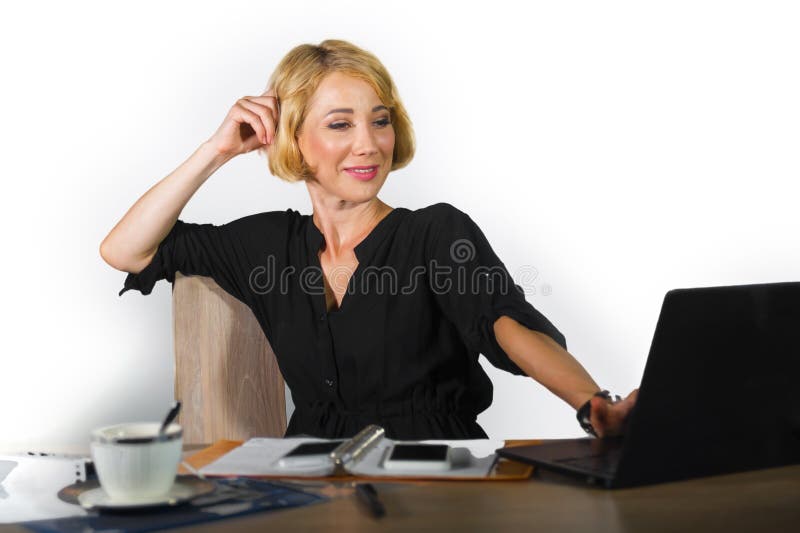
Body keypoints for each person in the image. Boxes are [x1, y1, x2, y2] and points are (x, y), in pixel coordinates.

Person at [100, 39, 637, 440]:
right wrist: (216, 150)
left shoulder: (434, 232)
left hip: (435, 486)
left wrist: (592, 404)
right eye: (340, 125)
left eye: (380, 122)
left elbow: (505, 324)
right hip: (310, 490)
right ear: (293, 138)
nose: (369, 144)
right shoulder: (266, 245)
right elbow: (125, 249)